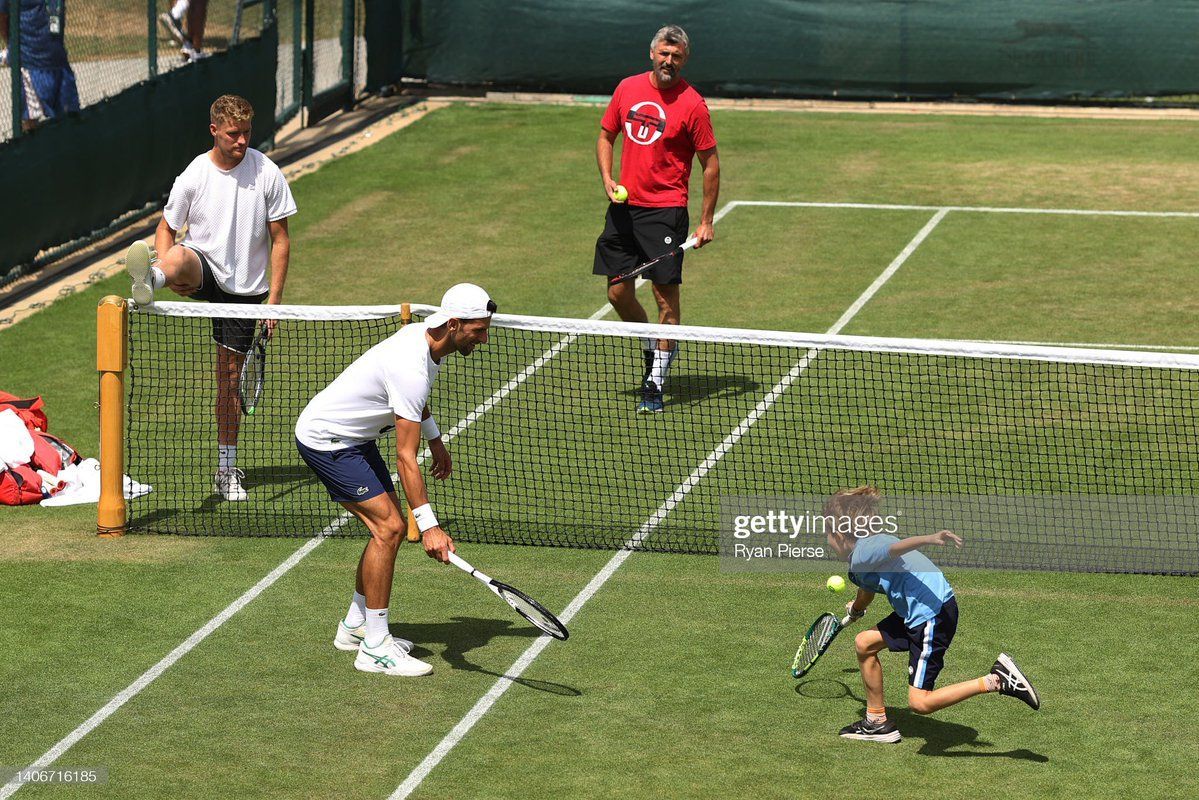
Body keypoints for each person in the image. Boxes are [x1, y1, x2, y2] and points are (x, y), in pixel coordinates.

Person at [294, 284, 496, 677]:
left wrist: (436, 440)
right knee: (389, 529)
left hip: (355, 437)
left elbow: (414, 405)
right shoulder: (411, 367)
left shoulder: (424, 343)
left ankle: (356, 627)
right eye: (478, 330)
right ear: (453, 324)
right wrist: (431, 527)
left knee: (387, 530)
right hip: (328, 440)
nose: (483, 339)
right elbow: (405, 457)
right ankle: (375, 648)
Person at [126, 94, 296, 502]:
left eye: (247, 133)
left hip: (246, 290)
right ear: (214, 131)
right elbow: (166, 227)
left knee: (228, 380)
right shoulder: (193, 176)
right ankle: (152, 276)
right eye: (233, 134)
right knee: (179, 256)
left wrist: (274, 302)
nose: (242, 141)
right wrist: (165, 260)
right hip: (206, 269)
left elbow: (281, 241)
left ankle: (225, 469)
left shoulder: (267, 173)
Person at [824, 486, 1041, 743]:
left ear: (838, 534)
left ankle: (997, 679)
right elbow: (866, 589)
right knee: (865, 643)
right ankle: (876, 722)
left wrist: (928, 538)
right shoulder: (860, 559)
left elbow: (895, 548)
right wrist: (856, 609)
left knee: (920, 703)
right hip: (920, 608)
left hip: (930, 614)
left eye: (826, 533)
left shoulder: (865, 550)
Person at [593, 24, 719, 414]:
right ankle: (653, 347)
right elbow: (605, 135)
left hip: (665, 212)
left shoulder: (693, 104)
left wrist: (706, 220)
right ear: (652, 54)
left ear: (685, 58)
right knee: (617, 292)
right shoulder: (627, 89)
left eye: (676, 56)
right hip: (623, 211)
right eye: (664, 54)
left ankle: (655, 381)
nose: (669, 61)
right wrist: (608, 178)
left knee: (666, 301)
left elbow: (710, 164)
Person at [0, 0, 80, 132]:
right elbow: (2, 16)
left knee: (69, 114)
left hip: (58, 60)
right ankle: (29, 149)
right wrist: (11, 44)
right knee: (31, 120)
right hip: (30, 61)